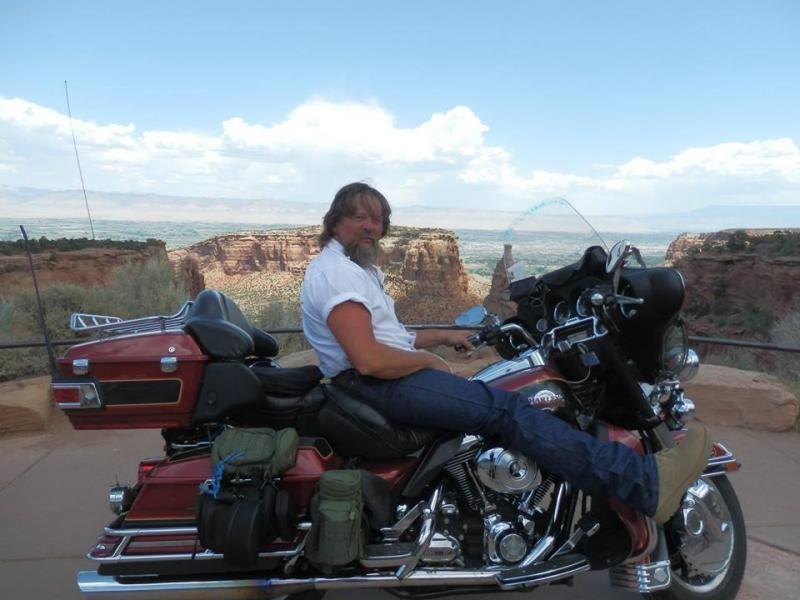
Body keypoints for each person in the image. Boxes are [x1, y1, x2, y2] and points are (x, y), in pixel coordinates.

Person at [300, 182, 710, 524]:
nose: (370, 227)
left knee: (492, 399)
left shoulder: (353, 268)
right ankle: (643, 483)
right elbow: (370, 359)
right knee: (508, 410)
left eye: (377, 220)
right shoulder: (337, 274)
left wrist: (444, 336)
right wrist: (430, 361)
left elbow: (387, 338)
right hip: (378, 384)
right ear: (335, 221)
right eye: (359, 217)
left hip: (380, 381)